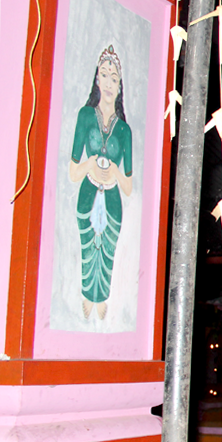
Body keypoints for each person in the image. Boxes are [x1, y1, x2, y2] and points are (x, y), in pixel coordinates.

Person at [68, 45, 133, 321]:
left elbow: (128, 186)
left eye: (113, 78)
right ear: (97, 80)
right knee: (87, 245)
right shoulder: (85, 116)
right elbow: (73, 172)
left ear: (119, 87)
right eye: (104, 75)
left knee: (108, 251)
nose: (108, 83)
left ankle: (102, 296)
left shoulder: (125, 129)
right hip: (88, 189)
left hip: (113, 197)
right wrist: (91, 165)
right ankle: (86, 293)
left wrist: (115, 171)